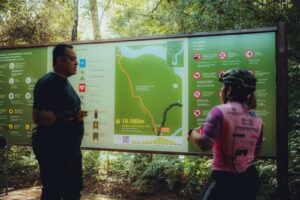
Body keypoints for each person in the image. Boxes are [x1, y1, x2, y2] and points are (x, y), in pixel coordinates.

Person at [188, 68, 263, 200]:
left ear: (229, 90)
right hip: (250, 179)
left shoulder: (219, 111)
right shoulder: (256, 118)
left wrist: (191, 132)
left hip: (223, 179)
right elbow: (256, 151)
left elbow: (204, 144)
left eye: (223, 86)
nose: (220, 90)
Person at [31, 44, 87, 200]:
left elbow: (61, 112)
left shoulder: (65, 82)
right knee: (53, 192)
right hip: (55, 150)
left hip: (71, 149)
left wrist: (76, 116)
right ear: (60, 60)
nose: (76, 63)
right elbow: (39, 116)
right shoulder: (47, 82)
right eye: (72, 59)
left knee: (73, 190)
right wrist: (70, 116)